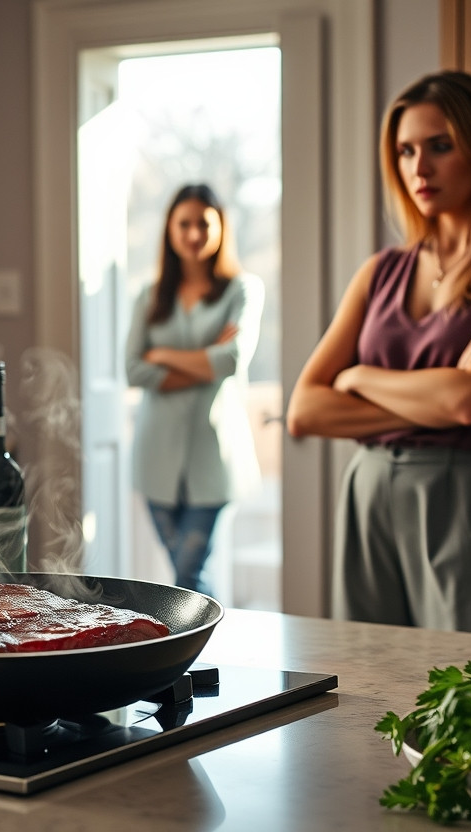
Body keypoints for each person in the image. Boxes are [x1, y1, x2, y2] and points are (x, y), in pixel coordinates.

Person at [285, 71, 471, 637]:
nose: (419, 168)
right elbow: (305, 410)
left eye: (440, 146)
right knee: (369, 682)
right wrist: (438, 395)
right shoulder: (381, 270)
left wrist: (360, 374)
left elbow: (470, 402)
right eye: (405, 150)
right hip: (367, 491)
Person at [125, 184, 264, 599]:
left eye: (203, 223)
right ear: (169, 229)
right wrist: (206, 361)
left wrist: (163, 354)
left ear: (220, 226)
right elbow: (133, 369)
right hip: (155, 457)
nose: (193, 234)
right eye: (183, 224)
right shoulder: (149, 297)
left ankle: (195, 652)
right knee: (186, 574)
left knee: (188, 571)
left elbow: (233, 359)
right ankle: (205, 652)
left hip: (214, 455)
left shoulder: (242, 290)